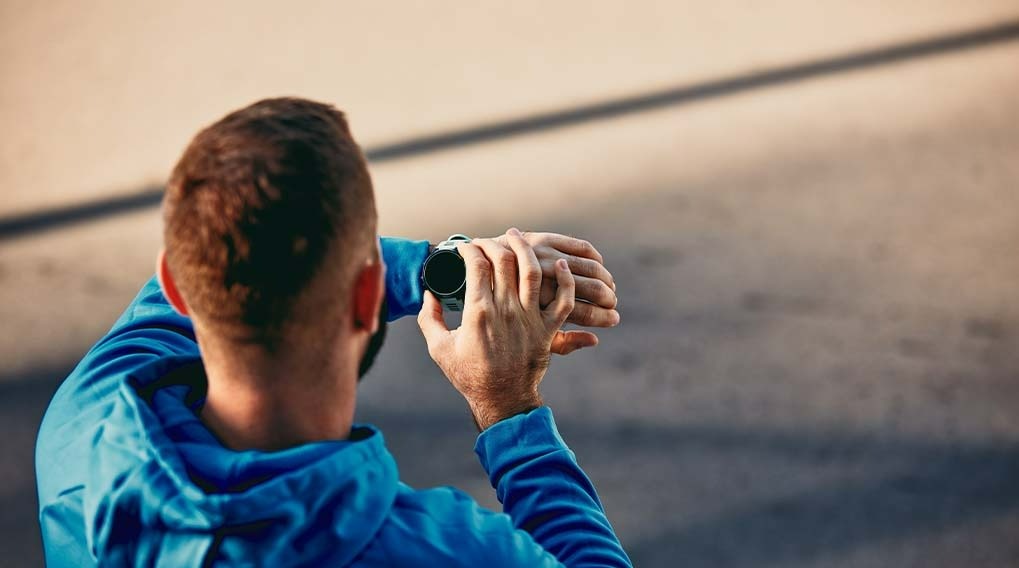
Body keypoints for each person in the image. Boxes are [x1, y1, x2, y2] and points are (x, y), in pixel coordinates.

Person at [35, 97, 632, 566]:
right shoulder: (439, 552)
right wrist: (508, 409)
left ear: (175, 285)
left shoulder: (83, 423)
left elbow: (214, 261)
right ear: (368, 295)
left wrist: (440, 268)